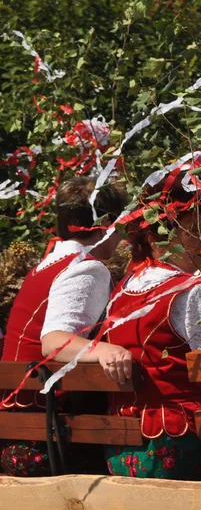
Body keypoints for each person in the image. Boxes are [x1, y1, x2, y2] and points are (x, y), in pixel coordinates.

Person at [103, 166, 201, 480]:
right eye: (195, 229)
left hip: (120, 452)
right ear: (157, 237)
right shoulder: (192, 291)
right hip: (180, 445)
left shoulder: (121, 291)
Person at [0, 177, 129, 477]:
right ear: (107, 223)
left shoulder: (46, 266)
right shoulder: (87, 268)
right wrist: (108, 349)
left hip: (16, 424)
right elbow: (53, 342)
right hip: (45, 436)